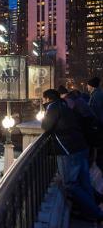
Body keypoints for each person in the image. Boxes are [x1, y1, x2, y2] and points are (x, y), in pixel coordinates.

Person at [41, 88, 103, 221]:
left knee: (70, 183)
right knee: (83, 181)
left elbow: (46, 126)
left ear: (47, 99)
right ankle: (92, 211)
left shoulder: (53, 107)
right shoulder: (64, 105)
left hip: (68, 150)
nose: (42, 102)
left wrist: (44, 114)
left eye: (43, 99)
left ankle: (96, 213)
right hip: (81, 147)